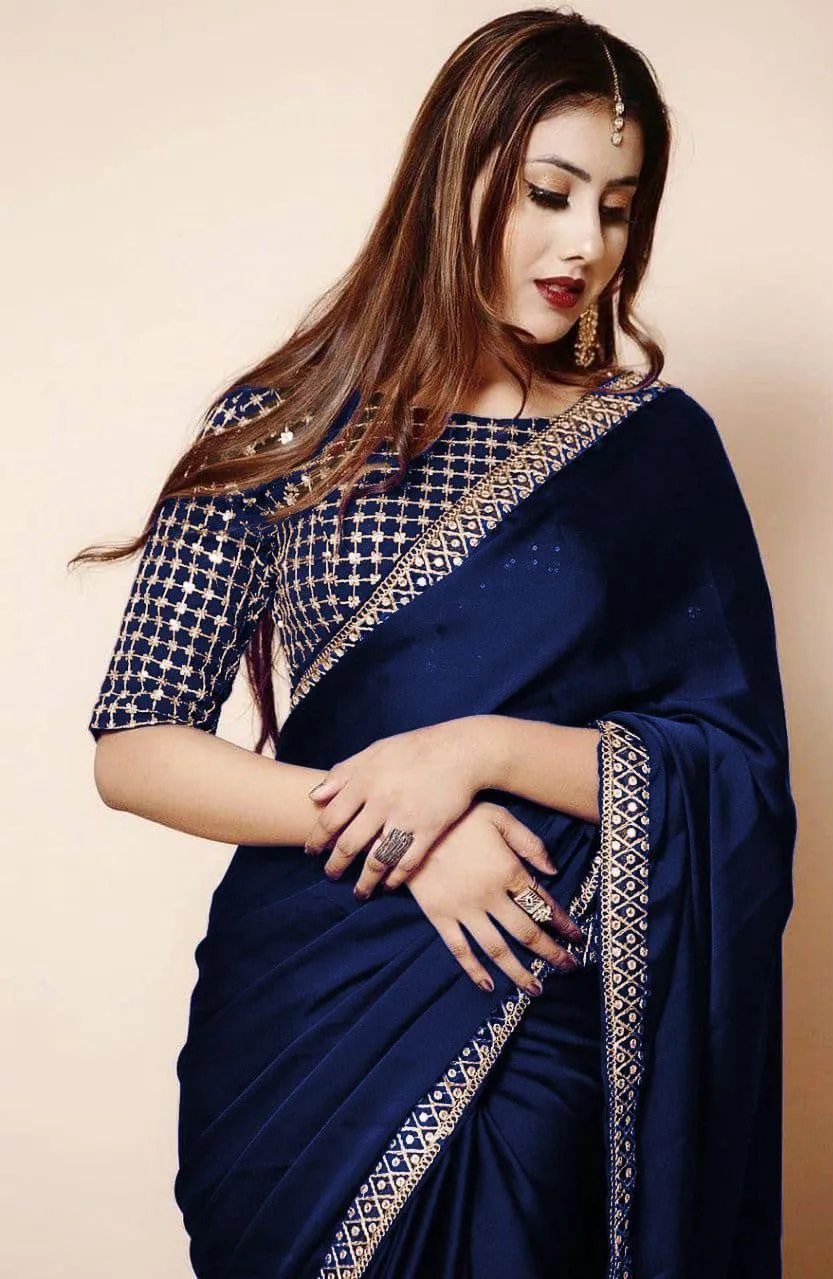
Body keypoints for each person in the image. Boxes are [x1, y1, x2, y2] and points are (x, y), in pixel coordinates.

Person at [73, 9, 797, 1278]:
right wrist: (410, 836)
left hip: (539, 1018)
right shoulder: (285, 424)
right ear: (450, 177)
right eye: (546, 194)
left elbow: (734, 777)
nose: (584, 244)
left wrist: (475, 750)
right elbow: (134, 745)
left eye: (616, 208)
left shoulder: (655, 451)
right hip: (306, 1024)